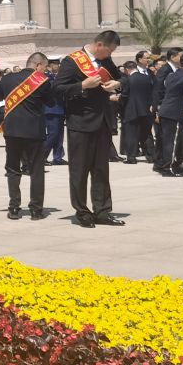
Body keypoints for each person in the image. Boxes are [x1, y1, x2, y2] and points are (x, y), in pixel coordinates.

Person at [53, 30, 126, 228]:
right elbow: (57, 89)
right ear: (100, 45)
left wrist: (118, 83)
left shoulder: (105, 61)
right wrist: (82, 85)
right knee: (79, 169)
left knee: (101, 169)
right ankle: (82, 212)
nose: (110, 55)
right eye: (109, 51)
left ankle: (102, 211)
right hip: (80, 122)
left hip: (102, 122)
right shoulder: (72, 61)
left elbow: (122, 78)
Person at [0, 52, 52, 220]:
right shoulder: (43, 81)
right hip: (34, 132)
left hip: (12, 131)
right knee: (36, 171)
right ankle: (36, 210)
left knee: (13, 169)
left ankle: (14, 208)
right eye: (45, 68)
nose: (45, 71)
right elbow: (51, 102)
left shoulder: (7, 79)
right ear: (38, 65)